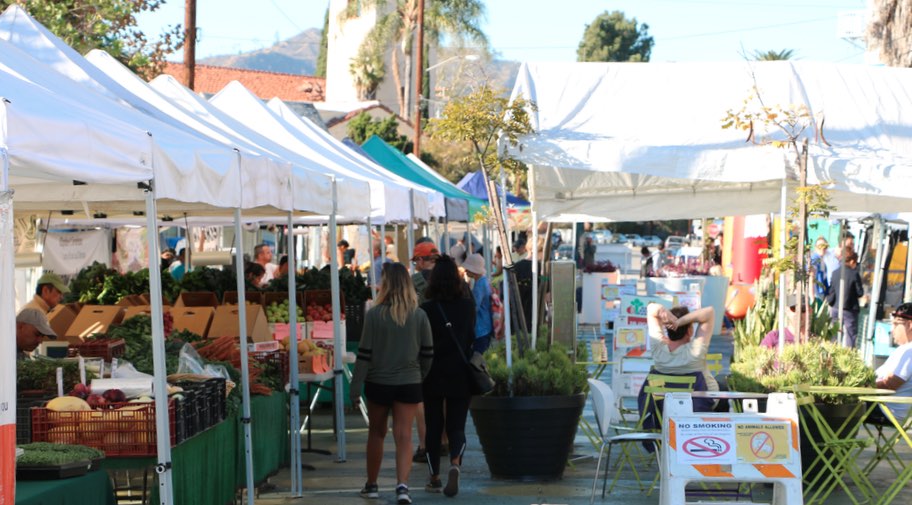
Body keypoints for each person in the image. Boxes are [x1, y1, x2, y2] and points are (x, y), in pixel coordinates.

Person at [350, 263, 433, 504]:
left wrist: (355, 389)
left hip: (378, 382)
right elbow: (428, 353)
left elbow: (364, 355)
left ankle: (372, 484)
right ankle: (403, 487)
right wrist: (420, 376)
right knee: (405, 435)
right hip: (409, 382)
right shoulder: (419, 315)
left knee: (376, 434)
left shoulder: (375, 315)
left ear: (385, 285)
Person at [420, 256, 476, 496]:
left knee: (433, 427)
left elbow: (421, 343)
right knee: (457, 426)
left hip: (432, 373)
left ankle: (434, 477)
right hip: (460, 373)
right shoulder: (467, 306)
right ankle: (455, 463)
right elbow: (472, 337)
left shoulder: (426, 309)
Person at [409, 240, 440, 464]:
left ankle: (424, 444)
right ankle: (445, 439)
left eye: (416, 260)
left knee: (422, 398)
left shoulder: (414, 282)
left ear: (421, 260)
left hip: (422, 344)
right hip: (447, 342)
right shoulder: (450, 279)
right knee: (444, 396)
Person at [873, 303, 912, 420]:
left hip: (888, 411)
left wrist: (861, 386)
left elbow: (889, 385)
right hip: (887, 407)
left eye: (895, 324)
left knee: (839, 407)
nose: (892, 329)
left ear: (909, 325)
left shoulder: (909, 352)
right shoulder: (905, 349)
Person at [827, 250, 865, 348]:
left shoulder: (835, 273)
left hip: (835, 307)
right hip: (850, 309)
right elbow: (860, 292)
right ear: (852, 261)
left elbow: (831, 291)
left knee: (834, 334)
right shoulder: (854, 274)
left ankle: (832, 355)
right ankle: (849, 356)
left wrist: (830, 302)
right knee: (850, 335)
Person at [462, 253, 493, 354]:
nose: (465, 270)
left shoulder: (479, 285)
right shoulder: (483, 280)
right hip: (486, 325)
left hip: (481, 328)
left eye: (468, 268)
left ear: (474, 270)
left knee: (478, 359)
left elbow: (474, 307)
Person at [810, 237, 830, 304]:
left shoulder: (823, 262)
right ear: (815, 247)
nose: (822, 249)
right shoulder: (815, 259)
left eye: (824, 246)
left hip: (819, 295)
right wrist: (812, 296)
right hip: (815, 295)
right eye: (820, 246)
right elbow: (811, 277)